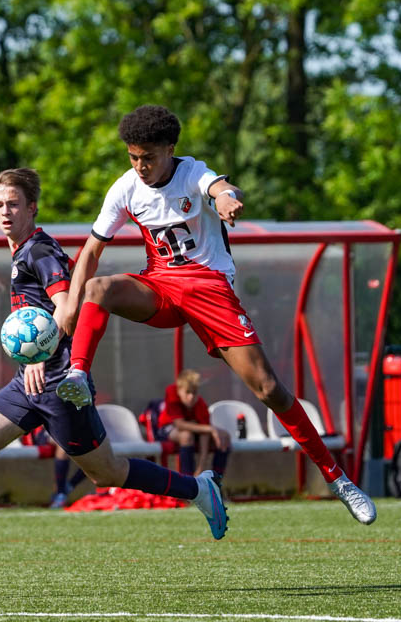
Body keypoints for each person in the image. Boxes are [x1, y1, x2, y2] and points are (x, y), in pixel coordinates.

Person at [55, 105, 375, 525]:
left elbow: (220, 186)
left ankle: (338, 480)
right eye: (133, 157)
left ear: (170, 149)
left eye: (148, 157)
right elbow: (91, 252)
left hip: (209, 289)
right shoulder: (126, 188)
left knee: (269, 389)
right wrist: (70, 306)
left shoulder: (192, 173)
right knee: (99, 288)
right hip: (162, 287)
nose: (140, 166)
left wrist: (226, 199)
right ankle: (78, 375)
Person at [0, 168, 227, 584]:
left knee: (107, 473)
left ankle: (198, 490)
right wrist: (32, 360)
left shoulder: (39, 250)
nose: (6, 212)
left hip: (60, 384)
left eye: (14, 204)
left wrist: (40, 353)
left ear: (32, 207)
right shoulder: (22, 251)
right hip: (28, 382)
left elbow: (69, 305)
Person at [158, 369, 230, 477]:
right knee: (186, 436)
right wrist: (211, 429)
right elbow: (179, 424)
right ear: (179, 390)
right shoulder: (171, 391)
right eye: (187, 392)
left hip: (192, 433)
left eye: (194, 392)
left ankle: (215, 480)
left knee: (223, 438)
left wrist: (201, 467)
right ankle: (187, 480)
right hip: (166, 429)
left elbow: (204, 433)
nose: (191, 396)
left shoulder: (200, 403)